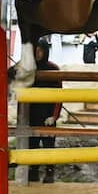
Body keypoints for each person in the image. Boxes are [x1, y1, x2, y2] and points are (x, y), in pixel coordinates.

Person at [28, 37, 62, 184]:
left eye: (40, 50)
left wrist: (54, 116)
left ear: (45, 51)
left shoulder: (54, 69)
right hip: (31, 114)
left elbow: (60, 96)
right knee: (32, 144)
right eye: (35, 50)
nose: (37, 53)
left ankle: (49, 173)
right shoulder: (28, 68)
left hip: (47, 114)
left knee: (48, 145)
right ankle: (33, 172)